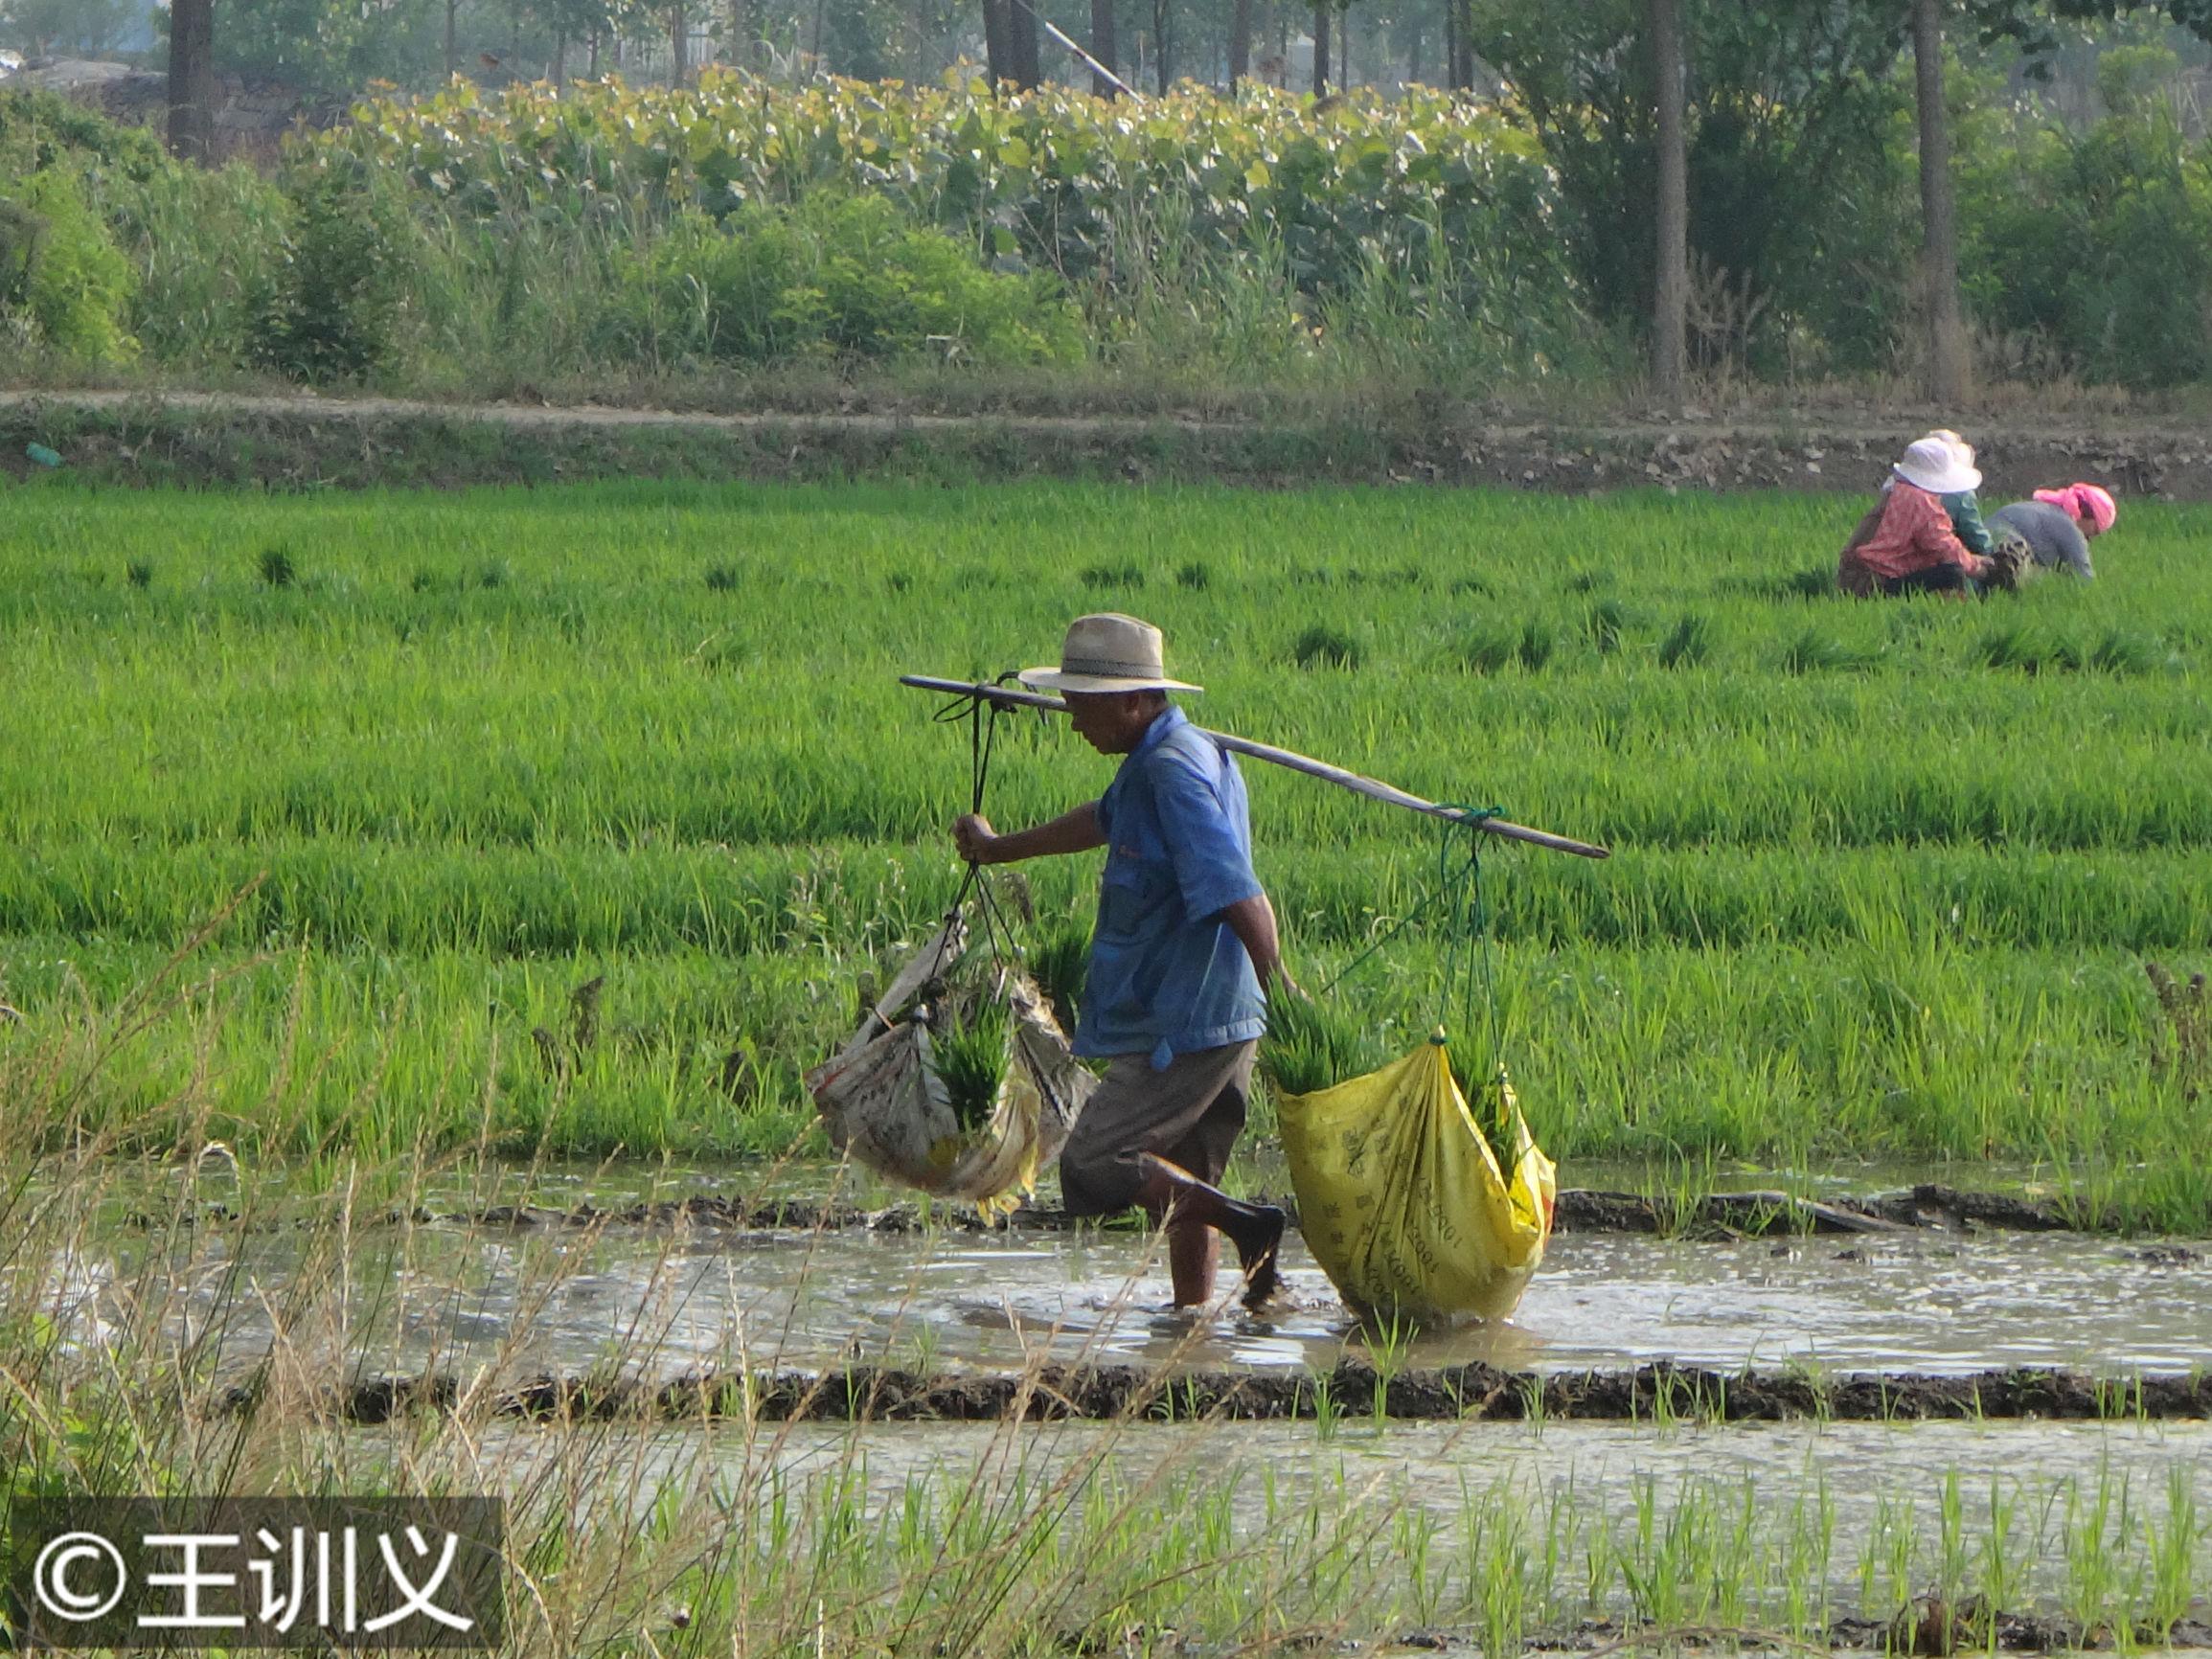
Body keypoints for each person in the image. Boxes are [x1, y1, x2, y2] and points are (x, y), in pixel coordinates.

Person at [952, 613, 1292, 1310]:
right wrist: (997, 849)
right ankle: (1195, 1322)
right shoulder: (1173, 757)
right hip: (1222, 1014)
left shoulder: (1171, 773)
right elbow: (1102, 820)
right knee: (1184, 1176)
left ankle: (1249, 1226)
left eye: (1082, 708)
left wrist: (1280, 985)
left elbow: (1236, 889)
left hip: (1187, 1021)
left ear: (1132, 702)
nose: (1074, 724)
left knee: (1095, 1162)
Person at [1837, 436, 2024, 597]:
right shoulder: (1922, 502)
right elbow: (1944, 546)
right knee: (1952, 573)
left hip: (1856, 578)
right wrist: (1982, 570)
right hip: (1878, 584)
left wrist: (1974, 559)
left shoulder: (1896, 490)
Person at [1989, 482, 2116, 580]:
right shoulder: (2070, 529)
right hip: (2007, 548)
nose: (2090, 538)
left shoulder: (2045, 509)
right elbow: (2084, 578)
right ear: (2090, 517)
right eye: (2095, 531)